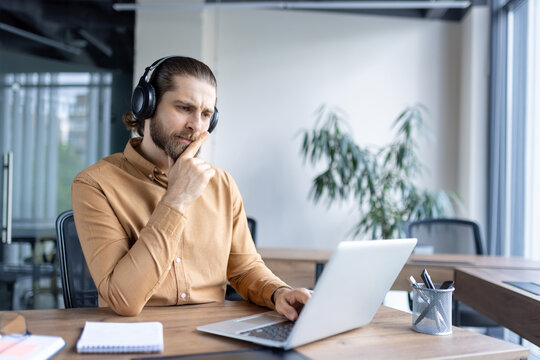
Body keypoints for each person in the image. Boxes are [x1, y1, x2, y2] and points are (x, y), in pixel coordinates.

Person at [72, 55, 312, 318]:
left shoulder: (222, 184)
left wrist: (279, 292)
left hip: (211, 335)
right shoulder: (95, 184)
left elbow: (245, 269)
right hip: (135, 339)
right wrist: (176, 199)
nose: (196, 126)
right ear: (146, 106)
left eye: (206, 114)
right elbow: (123, 300)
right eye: (184, 108)